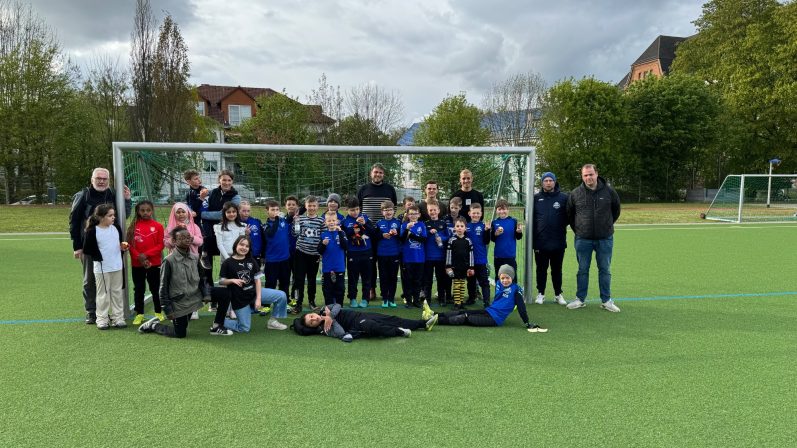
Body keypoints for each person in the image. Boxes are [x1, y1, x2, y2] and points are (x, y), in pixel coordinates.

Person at [69, 167, 131, 324]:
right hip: (90, 246)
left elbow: (124, 215)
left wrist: (127, 200)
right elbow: (74, 221)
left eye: (105, 179)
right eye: (98, 178)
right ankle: (92, 312)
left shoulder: (113, 194)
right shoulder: (83, 195)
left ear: (108, 180)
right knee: (90, 279)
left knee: (115, 280)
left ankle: (116, 314)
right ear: (92, 180)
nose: (102, 181)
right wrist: (77, 246)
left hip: (112, 246)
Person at [565, 164, 622, 312]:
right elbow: (570, 215)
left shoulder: (609, 191)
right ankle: (580, 299)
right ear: (582, 177)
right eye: (585, 175)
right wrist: (580, 229)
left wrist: (606, 226)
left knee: (605, 269)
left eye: (591, 174)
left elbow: (616, 211)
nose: (588, 178)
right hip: (583, 239)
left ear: (596, 174)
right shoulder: (575, 193)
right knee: (582, 269)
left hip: (605, 239)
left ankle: (606, 300)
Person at [428, 265, 546, 331]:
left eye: (508, 278)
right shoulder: (498, 284)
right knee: (463, 311)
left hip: (494, 320)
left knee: (463, 317)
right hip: (489, 311)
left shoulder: (515, 291)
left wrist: (527, 323)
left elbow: (521, 308)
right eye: (503, 277)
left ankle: (434, 321)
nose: (505, 280)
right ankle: (434, 314)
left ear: (512, 278)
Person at [210, 236, 289, 334]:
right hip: (239, 299)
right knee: (244, 328)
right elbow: (221, 281)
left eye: (247, 246)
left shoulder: (251, 261)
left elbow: (257, 280)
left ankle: (273, 322)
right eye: (241, 244)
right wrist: (232, 280)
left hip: (253, 293)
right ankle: (220, 321)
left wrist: (259, 299)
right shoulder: (228, 262)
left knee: (281, 295)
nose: (244, 248)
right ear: (236, 245)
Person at [138, 228, 205, 338]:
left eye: (188, 237)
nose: (187, 240)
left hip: (192, 297)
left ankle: (218, 326)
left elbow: (203, 278)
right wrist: (168, 310)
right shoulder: (168, 261)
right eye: (182, 238)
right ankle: (154, 325)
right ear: (174, 241)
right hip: (178, 302)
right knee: (180, 333)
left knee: (223, 294)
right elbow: (163, 287)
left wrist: (207, 294)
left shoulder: (195, 257)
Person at [200, 169, 241, 311]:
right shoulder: (211, 193)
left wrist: (204, 214)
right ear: (219, 180)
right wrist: (203, 199)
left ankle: (231, 301)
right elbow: (202, 203)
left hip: (226, 236)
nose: (226, 182)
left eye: (229, 180)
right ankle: (212, 300)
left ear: (232, 182)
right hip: (211, 234)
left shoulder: (235, 197)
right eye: (224, 180)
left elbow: (222, 214)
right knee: (207, 269)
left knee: (227, 269)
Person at [81, 204, 127, 330]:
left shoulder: (116, 227)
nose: (113, 218)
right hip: (102, 268)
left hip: (117, 266)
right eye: (110, 215)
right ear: (100, 217)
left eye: (114, 215)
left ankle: (118, 318)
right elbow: (87, 249)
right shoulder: (92, 231)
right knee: (103, 294)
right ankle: (102, 319)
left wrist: (122, 247)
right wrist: (98, 256)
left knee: (117, 293)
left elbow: (119, 244)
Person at [357, 163, 398, 301]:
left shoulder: (389, 189)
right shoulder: (363, 189)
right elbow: (359, 210)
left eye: (380, 172)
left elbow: (394, 208)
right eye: (375, 172)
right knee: (370, 263)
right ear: (371, 173)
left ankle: (385, 291)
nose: (378, 174)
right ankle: (371, 289)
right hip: (368, 233)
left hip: (384, 234)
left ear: (383, 175)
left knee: (384, 263)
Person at [292, 303, 438, 342]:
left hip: (361, 314)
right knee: (372, 326)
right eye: (311, 322)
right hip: (358, 324)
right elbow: (342, 333)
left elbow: (337, 306)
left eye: (311, 316)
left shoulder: (325, 310)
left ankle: (423, 324)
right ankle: (399, 332)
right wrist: (331, 320)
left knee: (393, 319)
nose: (314, 319)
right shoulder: (326, 329)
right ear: (313, 326)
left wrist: (329, 315)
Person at [532, 172, 569, 305]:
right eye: (546, 180)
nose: (548, 183)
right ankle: (540, 293)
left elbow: (569, 216)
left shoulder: (564, 198)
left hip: (558, 241)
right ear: (542, 183)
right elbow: (529, 218)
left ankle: (558, 294)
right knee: (541, 269)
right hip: (540, 242)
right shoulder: (535, 198)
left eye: (550, 180)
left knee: (557, 269)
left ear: (554, 182)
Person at [127, 200, 165, 325]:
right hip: (137, 264)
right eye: (142, 210)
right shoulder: (133, 226)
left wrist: (146, 255)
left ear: (152, 211)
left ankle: (158, 312)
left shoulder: (158, 226)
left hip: (153, 263)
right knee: (139, 288)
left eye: (148, 210)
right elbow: (130, 246)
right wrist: (139, 257)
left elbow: (160, 245)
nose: (145, 213)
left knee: (155, 288)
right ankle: (139, 313)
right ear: (138, 211)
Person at [164, 202, 205, 320]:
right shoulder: (170, 227)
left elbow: (200, 241)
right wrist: (175, 240)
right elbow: (166, 242)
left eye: (183, 212)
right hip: (176, 260)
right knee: (178, 283)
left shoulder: (194, 226)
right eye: (178, 212)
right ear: (174, 213)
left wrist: (188, 235)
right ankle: (177, 308)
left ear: (187, 213)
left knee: (193, 282)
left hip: (192, 260)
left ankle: (194, 308)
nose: (181, 214)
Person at [290, 195, 324, 313]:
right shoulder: (301, 219)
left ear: (318, 207)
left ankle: (312, 301)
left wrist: (321, 252)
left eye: (314, 206)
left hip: (314, 255)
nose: (312, 208)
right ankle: (298, 303)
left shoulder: (321, 221)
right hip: (301, 253)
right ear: (305, 206)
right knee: (298, 279)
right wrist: (296, 222)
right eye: (309, 205)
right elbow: (295, 234)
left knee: (312, 279)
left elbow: (323, 238)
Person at [341, 197, 375, 308]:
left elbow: (374, 233)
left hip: (367, 252)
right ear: (347, 210)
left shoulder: (365, 218)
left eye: (356, 209)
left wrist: (365, 224)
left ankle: (365, 298)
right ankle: (353, 298)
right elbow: (344, 235)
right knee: (353, 277)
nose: (355, 212)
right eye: (352, 210)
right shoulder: (345, 222)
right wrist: (353, 230)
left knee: (367, 277)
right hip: (353, 253)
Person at [423, 200, 451, 306]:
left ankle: (441, 299)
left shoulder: (443, 224)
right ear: (428, 211)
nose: (433, 212)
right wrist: (428, 233)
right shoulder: (425, 224)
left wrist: (441, 238)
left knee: (441, 279)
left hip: (440, 257)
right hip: (428, 257)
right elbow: (422, 237)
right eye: (431, 210)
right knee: (428, 280)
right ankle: (427, 299)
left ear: (438, 211)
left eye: (435, 210)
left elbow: (448, 237)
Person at [318, 211, 348, 306]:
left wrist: (339, 232)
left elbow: (345, 246)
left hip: (339, 267)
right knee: (328, 290)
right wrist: (323, 244)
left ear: (337, 221)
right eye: (329, 220)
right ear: (325, 222)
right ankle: (329, 308)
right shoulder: (323, 235)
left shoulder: (341, 233)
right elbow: (319, 251)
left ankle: (339, 308)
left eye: (333, 220)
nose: (331, 222)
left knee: (340, 289)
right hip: (327, 268)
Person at [490, 199, 524, 283]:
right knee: (498, 277)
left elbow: (518, 237)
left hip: (510, 255)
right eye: (499, 209)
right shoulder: (494, 222)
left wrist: (519, 232)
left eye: (504, 209)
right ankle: (499, 295)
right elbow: (492, 239)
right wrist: (496, 234)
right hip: (498, 256)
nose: (502, 211)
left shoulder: (513, 221)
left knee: (512, 276)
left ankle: (513, 295)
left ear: (508, 210)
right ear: (496, 210)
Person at [262, 200, 291, 297]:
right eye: (273, 210)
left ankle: (285, 302)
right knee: (271, 283)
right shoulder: (266, 225)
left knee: (285, 283)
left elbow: (295, 214)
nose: (275, 211)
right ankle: (266, 305)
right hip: (272, 260)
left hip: (285, 259)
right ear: (267, 211)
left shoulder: (284, 221)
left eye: (277, 209)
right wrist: (277, 219)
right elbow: (271, 233)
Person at [400, 204, 427, 308]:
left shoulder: (421, 225)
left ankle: (416, 300)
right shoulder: (404, 225)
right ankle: (408, 301)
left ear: (419, 215)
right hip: (407, 258)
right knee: (408, 280)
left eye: (415, 214)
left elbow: (424, 239)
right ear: (407, 215)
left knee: (417, 280)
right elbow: (402, 239)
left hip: (419, 258)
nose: (413, 216)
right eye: (410, 214)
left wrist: (412, 235)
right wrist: (407, 229)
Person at [376, 200, 401, 308]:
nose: (388, 212)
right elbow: (374, 237)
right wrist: (382, 235)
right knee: (383, 276)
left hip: (394, 253)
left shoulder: (398, 223)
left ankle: (391, 298)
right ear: (382, 212)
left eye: (390, 210)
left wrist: (397, 233)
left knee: (393, 277)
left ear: (393, 211)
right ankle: (385, 298)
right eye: (385, 210)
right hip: (382, 254)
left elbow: (402, 237)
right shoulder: (379, 223)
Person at [445, 217, 474, 310]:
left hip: (465, 267)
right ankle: (456, 303)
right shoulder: (451, 240)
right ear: (454, 228)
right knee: (456, 284)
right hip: (455, 266)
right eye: (457, 226)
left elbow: (471, 254)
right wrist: (448, 266)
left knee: (462, 284)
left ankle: (461, 302)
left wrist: (471, 267)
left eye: (462, 226)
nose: (460, 228)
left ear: (465, 228)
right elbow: (448, 254)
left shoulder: (468, 241)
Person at [466, 203, 491, 307]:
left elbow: (486, 241)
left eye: (477, 213)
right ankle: (472, 298)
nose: (475, 215)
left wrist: (487, 231)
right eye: (473, 213)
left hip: (480, 259)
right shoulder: (465, 226)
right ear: (469, 213)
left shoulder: (483, 226)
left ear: (481, 214)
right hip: (469, 260)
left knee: (484, 282)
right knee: (470, 281)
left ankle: (486, 301)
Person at [238, 200, 263, 268]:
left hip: (256, 255)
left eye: (248, 211)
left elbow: (262, 238)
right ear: (239, 211)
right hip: (241, 256)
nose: (246, 213)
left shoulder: (256, 222)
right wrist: (245, 234)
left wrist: (262, 255)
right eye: (244, 211)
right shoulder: (236, 223)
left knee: (256, 276)